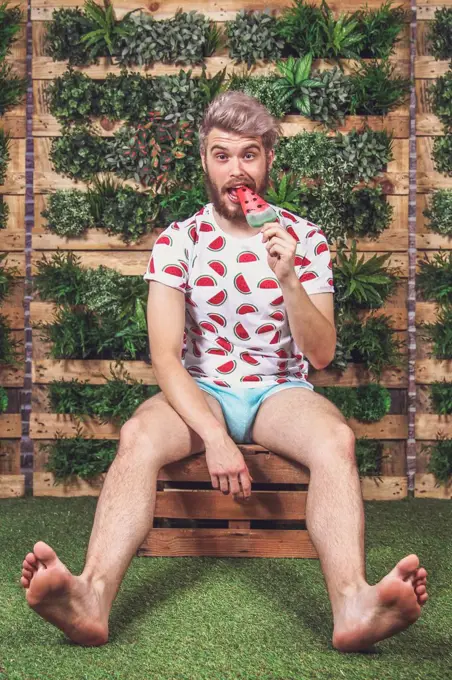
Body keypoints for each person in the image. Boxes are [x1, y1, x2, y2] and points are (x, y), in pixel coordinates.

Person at [20, 91, 428, 652]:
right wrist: (213, 436)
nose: (237, 169)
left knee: (335, 438)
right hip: (202, 388)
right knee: (138, 434)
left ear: (267, 160)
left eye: (249, 154)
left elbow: (323, 355)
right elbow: (165, 356)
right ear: (206, 163)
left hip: (279, 390)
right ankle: (90, 595)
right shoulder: (178, 240)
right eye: (221, 155)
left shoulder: (305, 239)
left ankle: (354, 604)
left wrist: (288, 278)